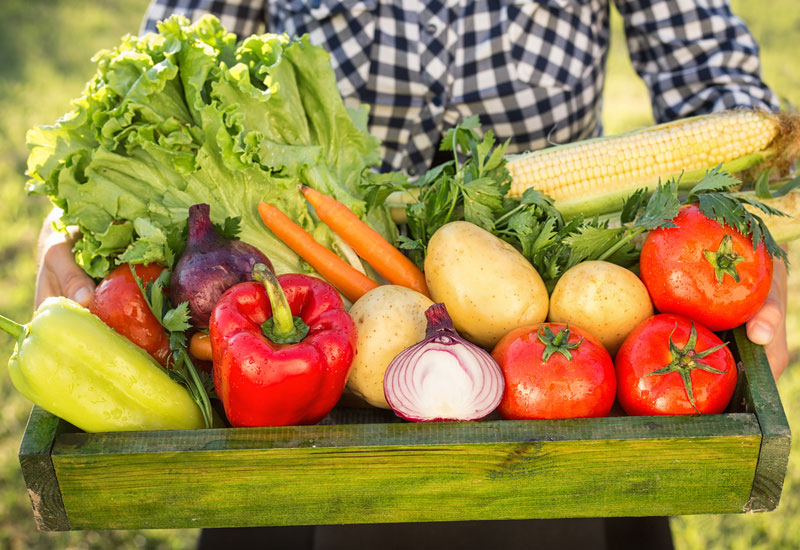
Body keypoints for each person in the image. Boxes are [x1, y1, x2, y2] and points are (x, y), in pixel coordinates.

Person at [35, 1, 790, 548]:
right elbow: (170, 67)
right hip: (307, 352)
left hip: (556, 346)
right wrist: (83, 216)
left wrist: (751, 227)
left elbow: (709, 70)